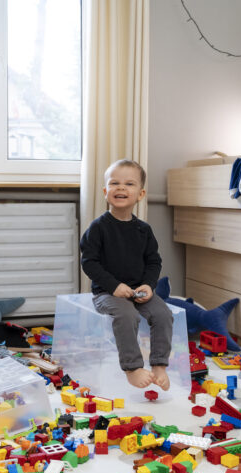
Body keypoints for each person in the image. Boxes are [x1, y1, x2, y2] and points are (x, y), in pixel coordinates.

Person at [79, 159, 173, 390]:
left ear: (140, 194)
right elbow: (89, 263)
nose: (121, 188)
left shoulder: (144, 230)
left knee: (163, 314)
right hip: (107, 293)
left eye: (129, 184)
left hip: (138, 291)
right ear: (105, 192)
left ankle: (159, 364)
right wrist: (113, 286)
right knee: (127, 315)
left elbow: (154, 261)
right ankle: (132, 367)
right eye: (114, 183)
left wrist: (149, 285)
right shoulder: (98, 228)